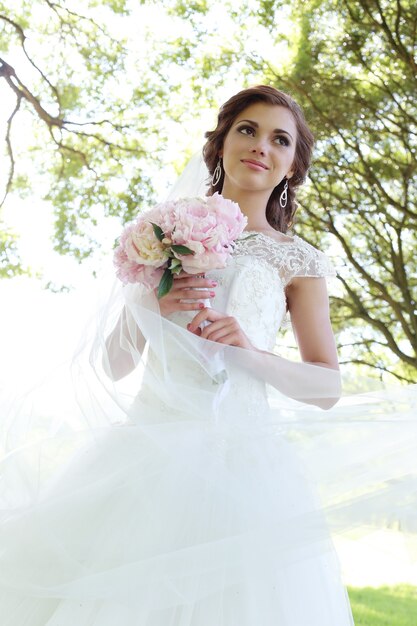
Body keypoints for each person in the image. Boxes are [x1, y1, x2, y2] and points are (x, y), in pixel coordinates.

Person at [1, 85, 416, 625]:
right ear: (220, 145)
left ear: (292, 166)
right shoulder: (163, 235)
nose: (260, 146)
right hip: (144, 459)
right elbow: (115, 364)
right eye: (247, 130)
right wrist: (152, 301)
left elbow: (327, 388)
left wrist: (250, 352)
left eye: (279, 139)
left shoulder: (301, 262)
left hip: (245, 470)